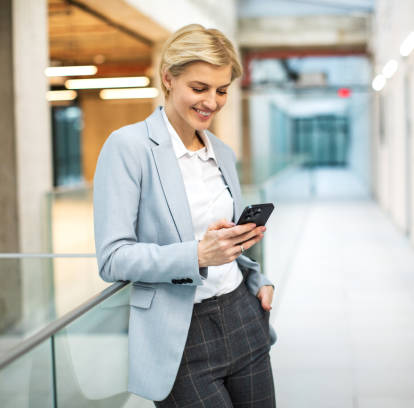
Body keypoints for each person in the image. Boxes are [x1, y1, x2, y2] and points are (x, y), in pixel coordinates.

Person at [93, 24, 277, 407]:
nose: (212, 101)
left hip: (242, 317)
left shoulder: (222, 152)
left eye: (222, 90)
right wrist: (196, 256)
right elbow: (113, 258)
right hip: (179, 337)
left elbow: (225, 243)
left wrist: (256, 277)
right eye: (199, 88)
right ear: (168, 79)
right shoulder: (129, 147)